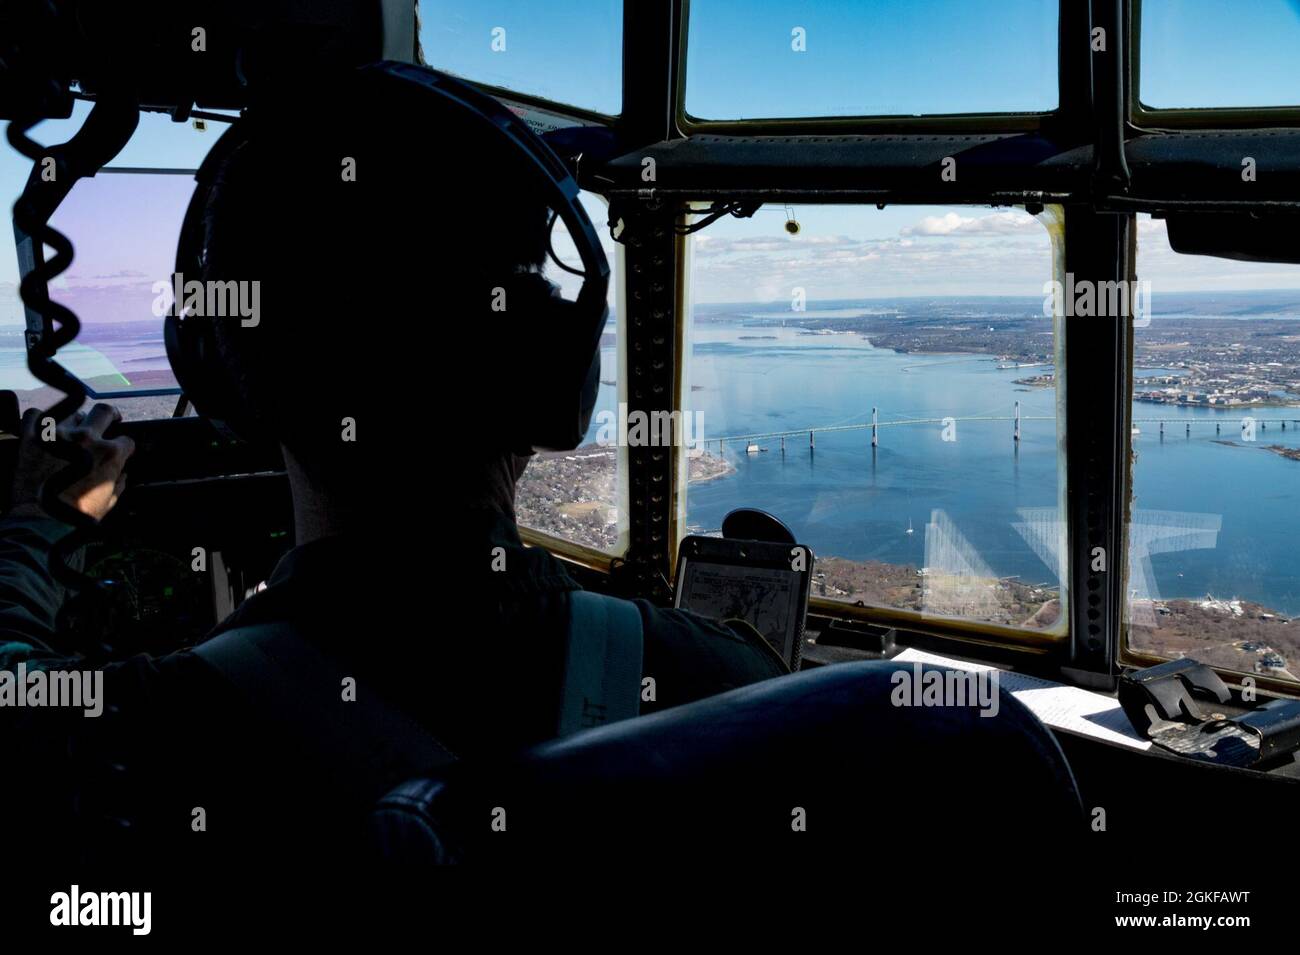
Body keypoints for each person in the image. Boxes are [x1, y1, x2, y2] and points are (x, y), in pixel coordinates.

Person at [0, 69, 786, 868]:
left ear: (218, 366)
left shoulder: (135, 737)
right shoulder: (733, 692)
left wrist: (40, 524)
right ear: (552, 369)